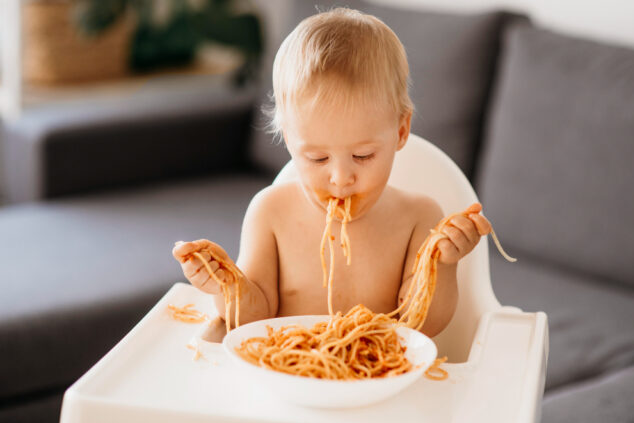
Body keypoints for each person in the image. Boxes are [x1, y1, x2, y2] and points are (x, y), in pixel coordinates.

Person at [172, 7, 491, 338]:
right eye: (317, 158)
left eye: (362, 155)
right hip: (288, 376)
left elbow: (420, 326)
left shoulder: (418, 218)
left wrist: (442, 263)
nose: (340, 177)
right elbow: (253, 318)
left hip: (380, 377)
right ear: (287, 140)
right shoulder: (270, 212)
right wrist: (225, 285)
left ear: (400, 131)